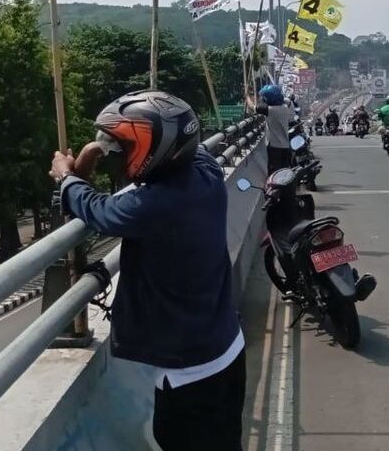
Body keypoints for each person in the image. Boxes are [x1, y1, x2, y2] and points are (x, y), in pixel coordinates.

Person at [50, 90, 245, 451]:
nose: (119, 154)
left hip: (189, 371)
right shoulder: (205, 173)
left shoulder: (153, 206)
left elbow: (98, 211)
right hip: (226, 346)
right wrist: (97, 148)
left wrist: (66, 177)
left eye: (124, 146)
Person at [247, 83, 295, 174]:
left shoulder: (271, 110)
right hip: (285, 146)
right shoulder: (284, 107)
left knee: (274, 173)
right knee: (284, 172)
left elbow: (252, 106)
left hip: (274, 147)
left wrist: (247, 96)